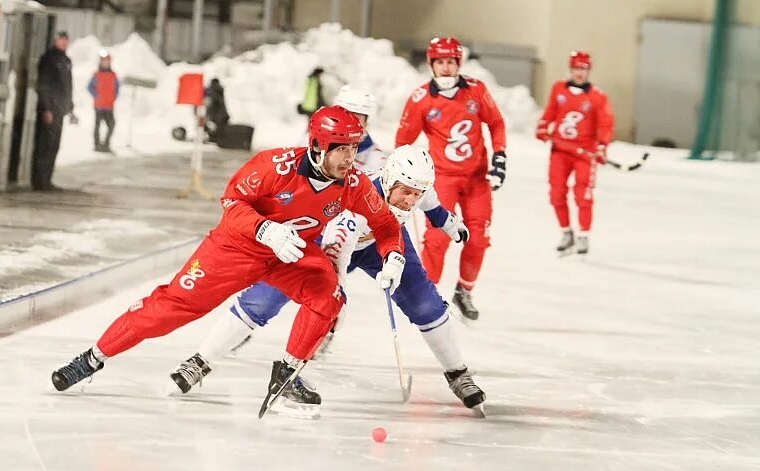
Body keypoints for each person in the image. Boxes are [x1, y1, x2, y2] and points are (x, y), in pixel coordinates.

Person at [50, 106, 406, 408]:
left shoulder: (354, 184)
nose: (350, 158)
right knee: (169, 310)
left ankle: (287, 374)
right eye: (342, 149)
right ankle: (93, 358)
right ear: (317, 146)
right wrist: (266, 230)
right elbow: (232, 202)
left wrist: (394, 258)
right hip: (235, 249)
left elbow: (386, 224)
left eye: (354, 148)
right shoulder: (274, 166)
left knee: (328, 292)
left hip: (287, 255)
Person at [168, 145, 487, 418]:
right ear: (388, 180)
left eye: (415, 193)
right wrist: (338, 301)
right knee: (266, 298)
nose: (409, 201)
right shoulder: (353, 209)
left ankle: (458, 373)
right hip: (331, 241)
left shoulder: (415, 187)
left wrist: (447, 224)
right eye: (405, 191)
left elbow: (429, 202)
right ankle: (201, 360)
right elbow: (338, 259)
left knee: (425, 303)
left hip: (383, 239)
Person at [396, 37, 507, 321]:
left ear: (459, 63)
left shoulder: (475, 90)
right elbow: (403, 143)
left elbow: (495, 123)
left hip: (476, 178)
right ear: (432, 64)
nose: (446, 68)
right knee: (437, 239)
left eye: (451, 62)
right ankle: (427, 294)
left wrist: (500, 156)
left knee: (479, 238)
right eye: (440, 62)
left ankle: (464, 290)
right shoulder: (421, 99)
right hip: (442, 179)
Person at [535, 51, 615, 255]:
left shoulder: (597, 96)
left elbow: (605, 123)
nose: (580, 73)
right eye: (577, 68)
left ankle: (583, 235)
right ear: (571, 69)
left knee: (583, 195)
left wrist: (602, 146)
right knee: (556, 193)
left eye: (584, 69)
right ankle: (566, 232)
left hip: (584, 154)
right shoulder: (559, 89)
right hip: (560, 151)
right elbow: (550, 112)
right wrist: (544, 127)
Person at [32, 31, 75, 191]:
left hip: (60, 109)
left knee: (54, 145)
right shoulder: (49, 58)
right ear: (55, 40)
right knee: (45, 144)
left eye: (66, 40)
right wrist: (46, 108)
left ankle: (47, 179)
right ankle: (39, 180)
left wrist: (69, 106)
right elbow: (44, 85)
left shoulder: (66, 60)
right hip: (49, 109)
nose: (64, 43)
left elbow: (68, 85)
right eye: (61, 40)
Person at [87, 50, 119, 152]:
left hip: (109, 106)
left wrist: (114, 97)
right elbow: (90, 87)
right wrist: (96, 96)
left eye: (107, 61)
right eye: (103, 61)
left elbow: (117, 88)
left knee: (111, 124)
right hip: (99, 106)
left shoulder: (113, 75)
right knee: (97, 126)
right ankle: (97, 145)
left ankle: (106, 144)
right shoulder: (97, 74)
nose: (105, 63)